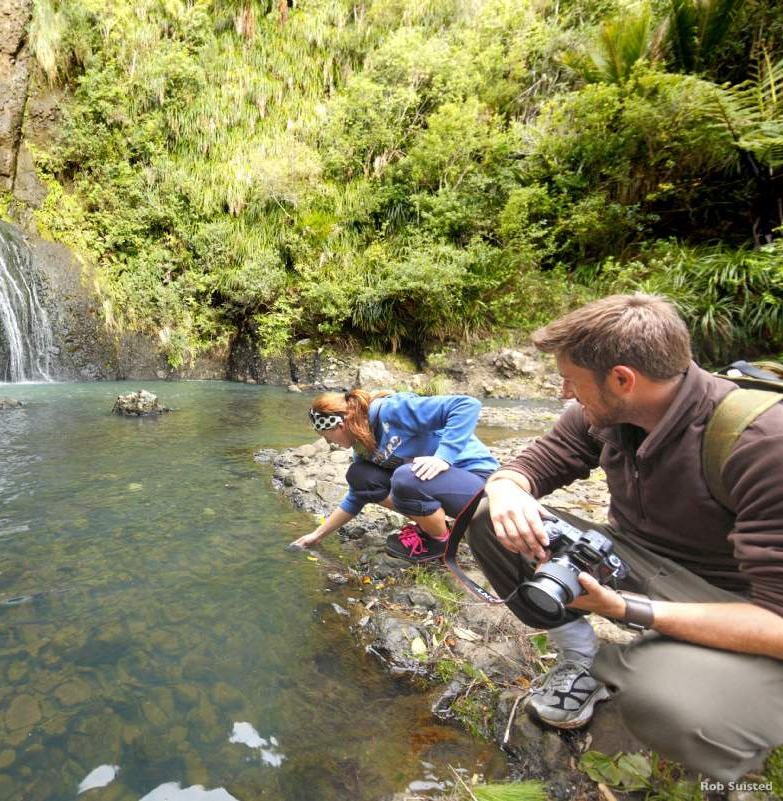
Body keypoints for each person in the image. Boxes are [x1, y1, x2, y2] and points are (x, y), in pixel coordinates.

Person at [468, 293, 783, 782]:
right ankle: (582, 658)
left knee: (660, 699)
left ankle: (743, 744)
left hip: (738, 597)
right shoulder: (605, 414)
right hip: (633, 559)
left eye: (570, 382)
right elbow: (536, 462)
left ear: (622, 379)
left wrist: (623, 610)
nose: (564, 394)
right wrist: (506, 487)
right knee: (492, 519)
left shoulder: (762, 444)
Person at [291, 388, 498, 560]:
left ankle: (440, 543)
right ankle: (435, 528)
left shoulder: (391, 411)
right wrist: (317, 535)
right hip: (437, 487)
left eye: (326, 436)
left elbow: (466, 405)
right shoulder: (363, 448)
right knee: (361, 476)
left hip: (480, 485)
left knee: (405, 478)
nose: (328, 442)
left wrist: (443, 457)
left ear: (340, 424)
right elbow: (357, 495)